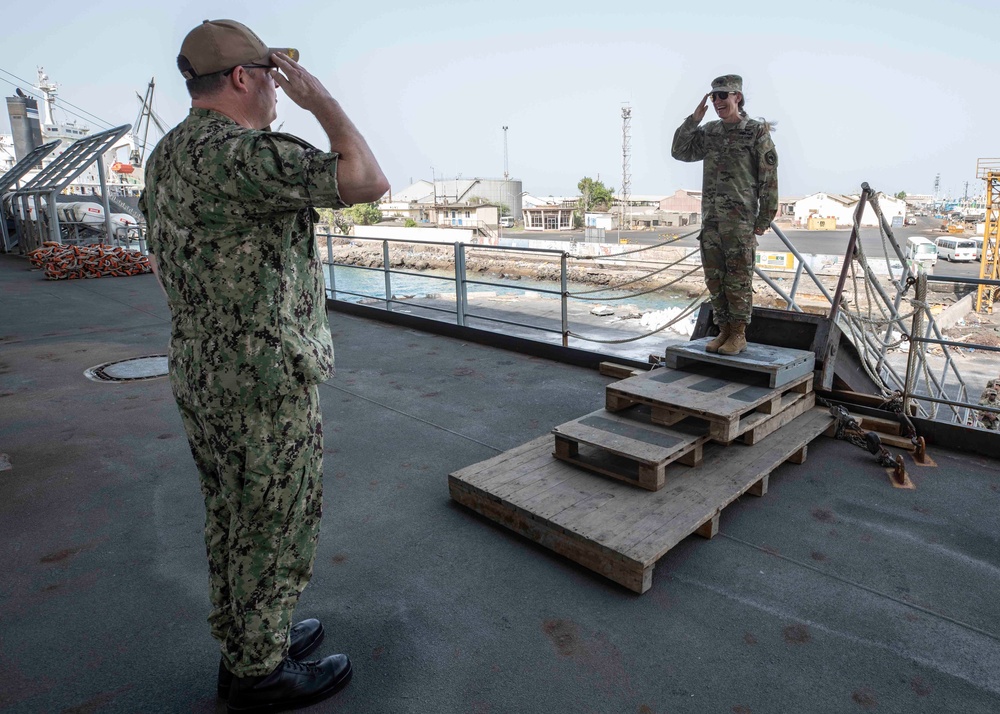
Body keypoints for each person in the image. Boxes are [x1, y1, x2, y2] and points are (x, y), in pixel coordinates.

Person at [139, 19, 388, 713]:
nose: (279, 88)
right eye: (273, 75)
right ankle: (258, 674)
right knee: (275, 521)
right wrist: (324, 103)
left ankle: (254, 638)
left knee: (231, 515)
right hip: (263, 381)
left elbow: (163, 260)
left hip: (201, 368)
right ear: (245, 78)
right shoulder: (246, 155)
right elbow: (368, 179)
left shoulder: (166, 157)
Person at [671, 74, 778, 355]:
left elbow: (769, 178)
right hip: (711, 221)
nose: (717, 101)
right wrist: (693, 120)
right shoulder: (710, 132)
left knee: (738, 280)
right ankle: (724, 331)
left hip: (739, 222)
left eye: (722, 95)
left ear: (737, 97)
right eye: (713, 96)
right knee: (715, 278)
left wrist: (764, 218)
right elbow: (679, 151)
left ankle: (739, 334)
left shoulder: (755, 131)